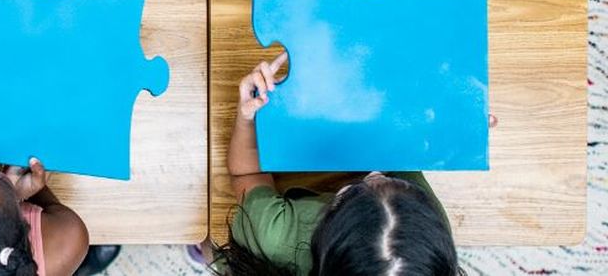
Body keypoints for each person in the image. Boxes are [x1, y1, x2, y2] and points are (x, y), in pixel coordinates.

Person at [191, 54, 466, 275]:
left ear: (326, 228)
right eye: (393, 180)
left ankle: (205, 254)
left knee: (209, 237)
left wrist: (247, 118)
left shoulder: (277, 237)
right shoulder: (422, 220)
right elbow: (402, 145)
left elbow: (247, 172)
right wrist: (445, 130)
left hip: (254, 256)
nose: (374, 172)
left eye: (356, 189)